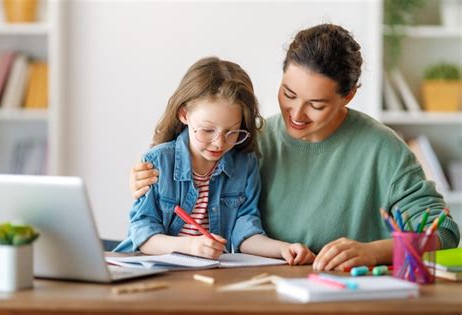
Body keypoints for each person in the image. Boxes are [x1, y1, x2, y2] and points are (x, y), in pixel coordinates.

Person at [128, 24, 460, 271]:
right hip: (261, 294)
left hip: (347, 295)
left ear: (348, 97)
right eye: (288, 94)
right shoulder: (246, 139)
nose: (296, 114)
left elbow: (444, 234)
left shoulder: (382, 149)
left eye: (316, 104)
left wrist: (375, 251)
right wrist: (146, 180)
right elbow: (193, 180)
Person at [115, 57, 315, 265]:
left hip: (207, 275)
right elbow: (143, 235)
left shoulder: (245, 165)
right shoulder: (158, 162)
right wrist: (190, 246)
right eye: (208, 130)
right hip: (148, 269)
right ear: (184, 114)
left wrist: (283, 248)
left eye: (231, 132)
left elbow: (245, 232)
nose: (219, 143)